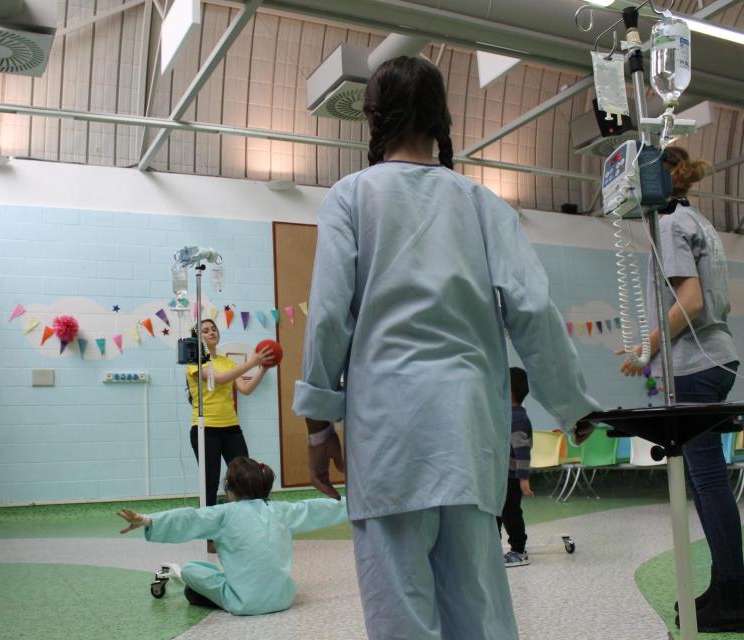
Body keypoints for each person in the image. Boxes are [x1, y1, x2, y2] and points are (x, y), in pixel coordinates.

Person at [293, 56, 599, 640]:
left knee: (401, 612)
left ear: (373, 117)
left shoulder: (351, 197)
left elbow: (329, 317)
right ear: (442, 118)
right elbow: (532, 308)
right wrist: (571, 403)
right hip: (466, 434)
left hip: (387, 438)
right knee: (479, 611)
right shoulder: (483, 204)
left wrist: (317, 428)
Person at [616, 146, 743, 633]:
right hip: (718, 355)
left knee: (708, 482)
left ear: (653, 182)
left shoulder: (668, 222)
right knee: (708, 481)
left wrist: (647, 350)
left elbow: (688, 300)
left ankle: (733, 593)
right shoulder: (698, 219)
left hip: (695, 363)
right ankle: (727, 582)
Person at [117, 456, 347, 615]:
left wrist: (148, 520)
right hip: (283, 599)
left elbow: (190, 519)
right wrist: (355, 502)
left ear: (228, 487)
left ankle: (180, 577)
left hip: (243, 604)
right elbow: (317, 509)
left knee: (191, 569)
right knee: (222, 573)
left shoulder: (224, 513)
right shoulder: (281, 510)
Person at [186, 319, 274, 551]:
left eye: (213, 328)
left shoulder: (226, 361)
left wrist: (262, 369)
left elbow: (245, 389)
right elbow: (220, 379)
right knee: (210, 482)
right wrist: (253, 361)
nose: (211, 332)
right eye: (205, 330)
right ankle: (210, 535)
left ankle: (252, 526)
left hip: (231, 427)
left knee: (247, 476)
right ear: (198, 338)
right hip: (206, 429)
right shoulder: (193, 362)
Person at [498, 367, 534, 568]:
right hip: (500, 475)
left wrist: (523, 478)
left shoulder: (517, 417)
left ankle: (519, 550)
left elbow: (522, 449)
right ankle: (492, 549)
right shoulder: (506, 414)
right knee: (496, 512)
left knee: (511, 513)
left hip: (512, 476)